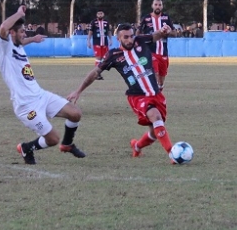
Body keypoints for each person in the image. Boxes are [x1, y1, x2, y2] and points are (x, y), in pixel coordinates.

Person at [68, 23, 178, 162]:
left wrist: (163, 31)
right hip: (137, 96)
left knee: (154, 132)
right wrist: (78, 91)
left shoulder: (141, 40)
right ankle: (173, 154)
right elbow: (95, 72)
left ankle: (137, 146)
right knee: (155, 117)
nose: (130, 40)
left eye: (131, 36)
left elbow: (157, 35)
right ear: (118, 38)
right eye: (126, 37)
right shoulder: (113, 55)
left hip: (155, 94)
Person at [0, 5, 86, 165]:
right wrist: (18, 13)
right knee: (52, 139)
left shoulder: (17, 46)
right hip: (26, 106)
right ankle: (26, 148)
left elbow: (21, 42)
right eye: (22, 32)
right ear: (12, 33)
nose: (24, 34)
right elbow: (3, 27)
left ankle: (67, 144)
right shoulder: (4, 49)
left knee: (75, 113)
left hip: (41, 95)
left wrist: (33, 39)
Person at [139, 0, 173, 89]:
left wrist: (169, 31)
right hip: (151, 52)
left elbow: (174, 32)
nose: (158, 6)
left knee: (161, 79)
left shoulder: (166, 18)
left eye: (159, 5)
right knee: (154, 73)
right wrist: (147, 38)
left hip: (163, 53)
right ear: (152, 6)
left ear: (162, 6)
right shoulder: (146, 18)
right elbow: (138, 33)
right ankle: (153, 91)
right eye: (156, 5)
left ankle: (159, 89)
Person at [89, 10, 112, 80]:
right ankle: (96, 74)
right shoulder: (93, 22)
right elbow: (90, 32)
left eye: (101, 13)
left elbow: (108, 31)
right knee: (98, 58)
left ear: (103, 14)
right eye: (98, 13)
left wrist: (110, 39)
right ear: (96, 15)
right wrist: (88, 41)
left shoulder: (106, 22)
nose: (100, 15)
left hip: (105, 42)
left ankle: (98, 73)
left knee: (104, 58)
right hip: (97, 42)